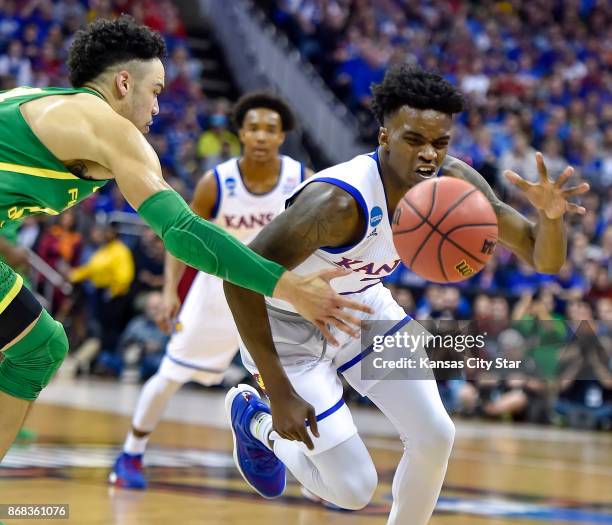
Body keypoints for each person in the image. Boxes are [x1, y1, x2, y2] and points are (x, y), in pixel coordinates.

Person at [223, 66, 589, 524]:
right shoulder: (337, 203)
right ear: (384, 137)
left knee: (436, 435)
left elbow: (544, 259)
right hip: (285, 327)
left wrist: (551, 218)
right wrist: (277, 394)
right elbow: (238, 279)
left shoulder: (455, 184)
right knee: (353, 489)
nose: (429, 155)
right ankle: (253, 420)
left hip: (361, 309)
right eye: (414, 140)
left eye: (440, 143)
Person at [0, 16, 369, 461]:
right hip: (230, 283)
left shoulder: (36, 102)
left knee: (36, 344)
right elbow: (181, 230)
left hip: (229, 284)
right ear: (123, 82)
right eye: (154, 90)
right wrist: (288, 284)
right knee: (40, 348)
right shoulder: (111, 129)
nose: (157, 107)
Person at [110, 91, 313, 488]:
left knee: (299, 382)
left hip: (275, 294)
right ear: (240, 132)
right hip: (219, 292)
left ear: (282, 136)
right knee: (170, 374)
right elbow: (180, 236)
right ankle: (130, 454)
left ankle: (317, 476)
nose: (260, 136)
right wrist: (171, 291)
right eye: (252, 127)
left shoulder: (299, 178)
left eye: (270, 129)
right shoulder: (216, 183)